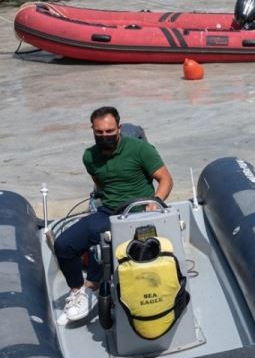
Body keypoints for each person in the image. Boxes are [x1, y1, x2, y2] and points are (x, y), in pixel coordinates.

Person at [52, 106, 173, 325]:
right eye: (100, 132)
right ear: (93, 130)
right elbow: (100, 185)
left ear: (118, 128)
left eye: (109, 131)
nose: (105, 136)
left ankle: (94, 282)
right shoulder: (89, 156)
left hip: (139, 212)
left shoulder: (140, 149)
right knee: (64, 245)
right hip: (109, 211)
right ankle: (81, 291)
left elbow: (165, 180)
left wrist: (155, 203)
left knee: (104, 241)